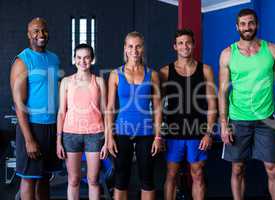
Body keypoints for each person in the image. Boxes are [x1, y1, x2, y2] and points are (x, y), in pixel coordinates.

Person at [218, 8, 275, 200]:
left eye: (250, 23)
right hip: (237, 119)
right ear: (237, 27)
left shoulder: (272, 50)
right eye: (243, 24)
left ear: (257, 25)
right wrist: (224, 124)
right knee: (238, 168)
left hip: (266, 120)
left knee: (272, 168)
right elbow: (223, 91)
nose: (247, 27)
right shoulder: (227, 54)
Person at [160, 29, 217, 200]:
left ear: (193, 44)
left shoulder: (205, 70)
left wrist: (208, 133)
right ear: (175, 47)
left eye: (188, 42)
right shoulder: (165, 71)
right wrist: (159, 134)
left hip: (197, 131)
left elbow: (212, 103)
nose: (185, 46)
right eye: (180, 43)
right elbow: (157, 106)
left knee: (197, 174)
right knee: (171, 175)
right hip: (173, 131)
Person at [10, 17, 61, 200]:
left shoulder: (54, 58)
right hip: (32, 127)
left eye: (44, 30)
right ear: (28, 34)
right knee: (29, 179)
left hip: (52, 126)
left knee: (46, 177)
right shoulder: (22, 61)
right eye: (36, 31)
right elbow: (19, 104)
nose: (41, 34)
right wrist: (29, 139)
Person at [107, 31, 162, 200]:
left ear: (143, 48)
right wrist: (109, 136)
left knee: (147, 179)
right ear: (125, 48)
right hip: (122, 132)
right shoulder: (116, 74)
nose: (134, 50)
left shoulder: (152, 74)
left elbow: (158, 107)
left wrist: (158, 137)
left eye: (138, 46)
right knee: (121, 179)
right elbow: (109, 107)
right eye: (130, 46)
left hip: (146, 133)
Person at [56, 43, 107, 200]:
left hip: (95, 134)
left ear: (92, 59)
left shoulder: (98, 81)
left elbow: (105, 112)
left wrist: (107, 140)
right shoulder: (66, 82)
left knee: (93, 180)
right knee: (73, 180)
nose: (82, 61)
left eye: (86, 57)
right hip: (71, 134)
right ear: (74, 59)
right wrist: (58, 141)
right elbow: (61, 112)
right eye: (79, 57)